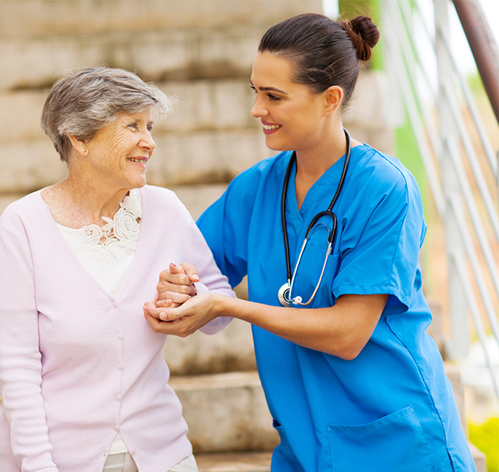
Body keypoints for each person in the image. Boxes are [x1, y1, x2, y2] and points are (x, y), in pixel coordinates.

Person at [144, 13, 476, 472]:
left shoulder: (385, 188)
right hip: (304, 446)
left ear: (330, 100)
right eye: (255, 91)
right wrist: (178, 286)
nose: (257, 109)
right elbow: (189, 267)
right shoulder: (254, 189)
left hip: (397, 442)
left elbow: (347, 333)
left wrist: (229, 307)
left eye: (274, 96)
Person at [0, 66, 234, 472]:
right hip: (58, 459)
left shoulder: (164, 209)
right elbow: (17, 368)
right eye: (132, 126)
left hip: (163, 452)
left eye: (150, 126)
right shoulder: (23, 225)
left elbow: (219, 307)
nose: (149, 142)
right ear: (80, 138)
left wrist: (191, 298)